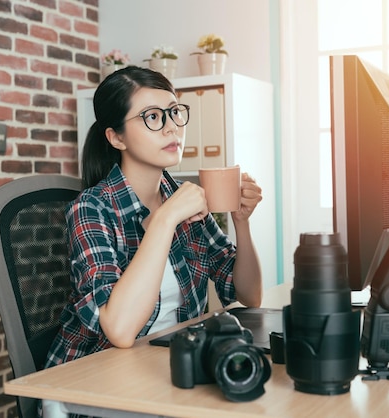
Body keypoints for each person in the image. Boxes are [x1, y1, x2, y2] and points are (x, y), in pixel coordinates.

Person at [41, 65, 263, 417]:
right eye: (153, 117)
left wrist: (242, 224)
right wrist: (163, 220)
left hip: (164, 367)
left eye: (175, 112)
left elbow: (248, 295)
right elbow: (120, 330)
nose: (172, 126)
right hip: (91, 388)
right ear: (116, 138)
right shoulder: (90, 209)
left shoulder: (180, 198)